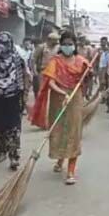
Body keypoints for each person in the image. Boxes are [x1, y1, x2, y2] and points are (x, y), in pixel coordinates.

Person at [31, 31, 89, 185]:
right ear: (60, 45)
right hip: (59, 98)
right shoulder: (54, 62)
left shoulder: (81, 61)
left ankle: (70, 171)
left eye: (70, 44)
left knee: (73, 132)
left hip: (75, 98)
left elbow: (87, 78)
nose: (68, 47)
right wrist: (63, 93)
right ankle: (60, 160)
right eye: (65, 44)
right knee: (59, 130)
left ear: (75, 45)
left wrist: (88, 73)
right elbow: (50, 82)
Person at [0, 32, 28, 170]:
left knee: (13, 128)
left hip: (13, 97)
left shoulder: (17, 59)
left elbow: (25, 77)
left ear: (9, 44)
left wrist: (25, 95)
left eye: (4, 44)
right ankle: (2, 151)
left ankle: (14, 157)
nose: (1, 47)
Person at [98, 36, 109, 113]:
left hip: (108, 74)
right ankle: (106, 101)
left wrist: (104, 77)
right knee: (104, 89)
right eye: (102, 44)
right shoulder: (102, 53)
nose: (103, 45)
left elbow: (107, 66)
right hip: (102, 72)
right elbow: (100, 64)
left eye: (104, 44)